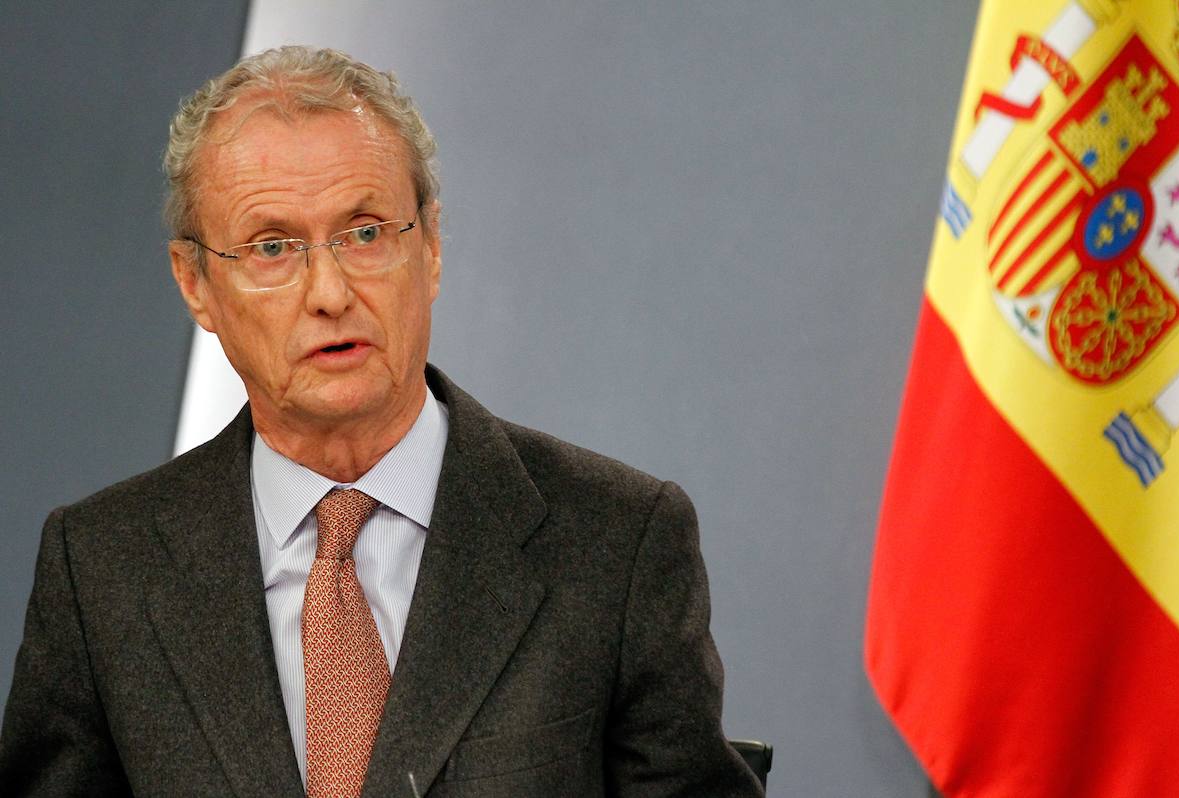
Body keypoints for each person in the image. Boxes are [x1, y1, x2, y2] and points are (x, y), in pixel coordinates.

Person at [0, 46, 762, 797]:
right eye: (272, 247)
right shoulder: (102, 568)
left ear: (430, 247)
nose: (329, 293)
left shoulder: (617, 540)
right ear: (194, 283)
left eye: (365, 232)